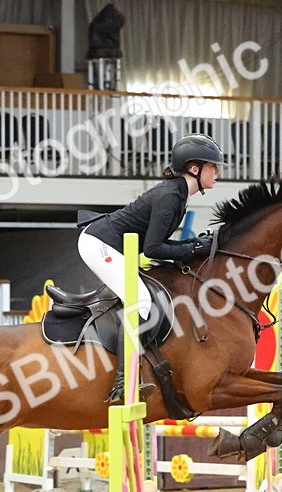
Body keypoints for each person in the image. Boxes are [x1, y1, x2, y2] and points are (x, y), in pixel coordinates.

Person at [77, 132, 224, 401]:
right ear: (194, 168)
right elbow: (153, 249)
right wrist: (193, 248)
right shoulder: (170, 196)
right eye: (213, 167)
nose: (217, 173)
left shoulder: (179, 194)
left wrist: (193, 244)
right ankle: (122, 383)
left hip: (113, 245)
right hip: (99, 244)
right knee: (141, 302)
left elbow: (159, 244)